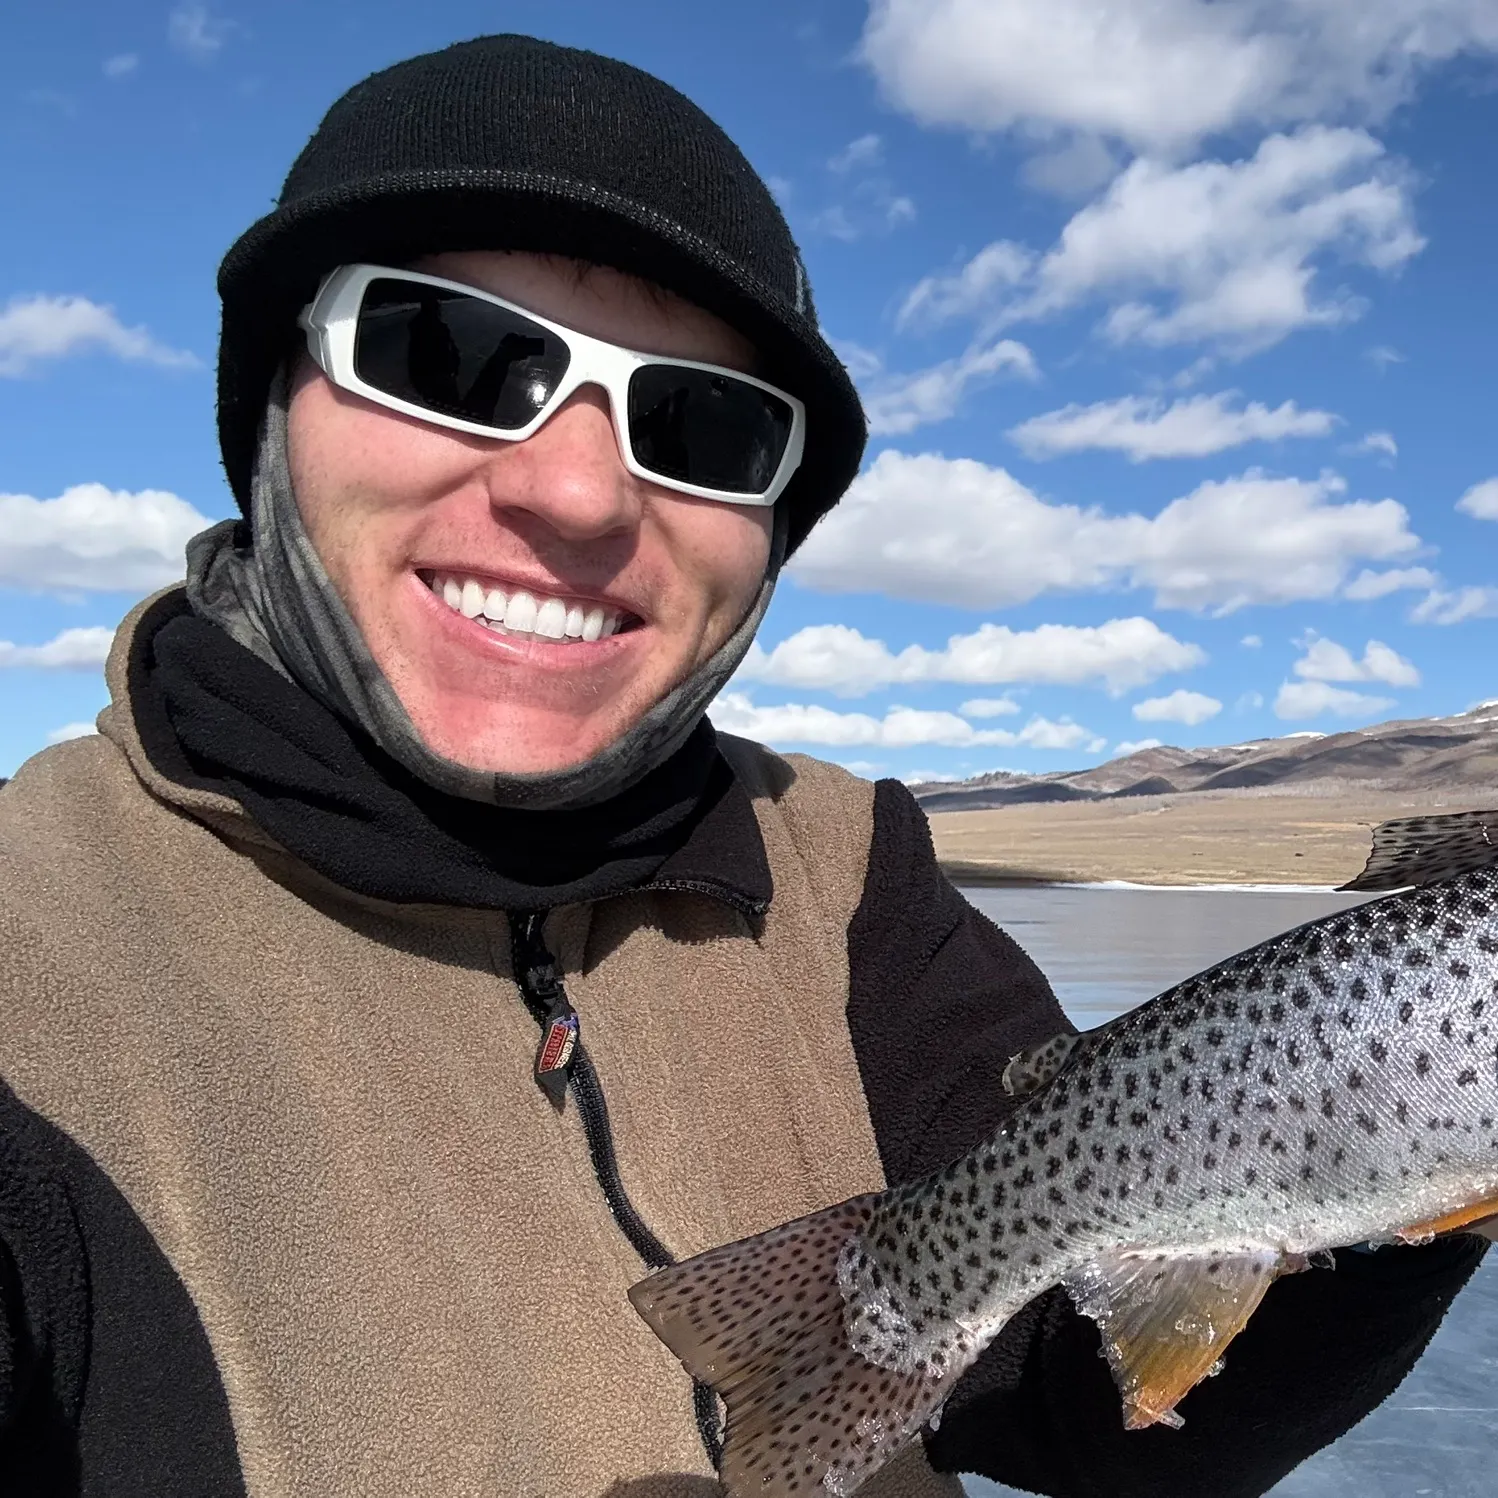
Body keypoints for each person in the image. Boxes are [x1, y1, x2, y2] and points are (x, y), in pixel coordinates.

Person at [0, 34, 1485, 1498]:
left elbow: (1081, 1407)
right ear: (269, 397)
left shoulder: (847, 870)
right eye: (443, 353)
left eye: (702, 423)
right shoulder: (28, 974)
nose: (576, 488)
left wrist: (1424, 1176)